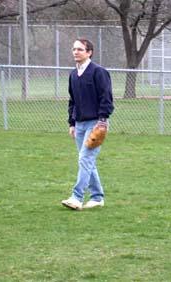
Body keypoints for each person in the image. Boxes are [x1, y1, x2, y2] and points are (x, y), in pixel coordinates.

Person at [62, 38, 114, 210]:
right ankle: (97, 197)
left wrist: (102, 121)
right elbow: (72, 101)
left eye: (80, 49)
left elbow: (106, 98)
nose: (76, 52)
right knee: (87, 161)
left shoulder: (98, 72)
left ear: (89, 52)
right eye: (74, 49)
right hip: (79, 124)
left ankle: (76, 197)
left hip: (96, 123)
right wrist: (71, 123)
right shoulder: (73, 74)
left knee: (85, 159)